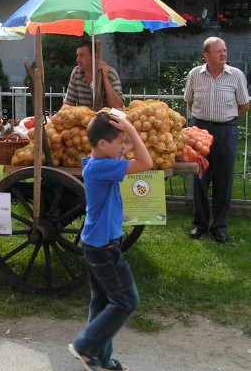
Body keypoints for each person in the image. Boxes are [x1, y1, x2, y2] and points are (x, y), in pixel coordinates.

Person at [69, 110, 153, 371]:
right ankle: (85, 346)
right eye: (120, 144)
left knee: (103, 301)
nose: (124, 149)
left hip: (99, 243)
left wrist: (125, 132)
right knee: (127, 301)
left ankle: (100, 358)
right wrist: (130, 128)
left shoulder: (98, 164)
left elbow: (130, 152)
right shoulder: (102, 167)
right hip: (103, 246)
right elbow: (146, 163)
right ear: (103, 144)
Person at [184, 37, 249, 243]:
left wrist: (226, 123)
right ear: (207, 55)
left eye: (225, 50)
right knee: (199, 178)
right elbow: (189, 100)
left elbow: (244, 105)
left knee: (224, 180)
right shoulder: (195, 74)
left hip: (225, 132)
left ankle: (220, 226)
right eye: (218, 51)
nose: (223, 53)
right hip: (199, 130)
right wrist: (204, 125)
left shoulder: (236, 76)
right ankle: (199, 224)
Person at [65, 41, 124, 110]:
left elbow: (117, 106)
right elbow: (68, 104)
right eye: (77, 55)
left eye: (82, 55)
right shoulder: (76, 73)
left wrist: (105, 78)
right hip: (86, 119)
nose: (78, 60)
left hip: (107, 119)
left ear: (94, 56)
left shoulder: (110, 73)